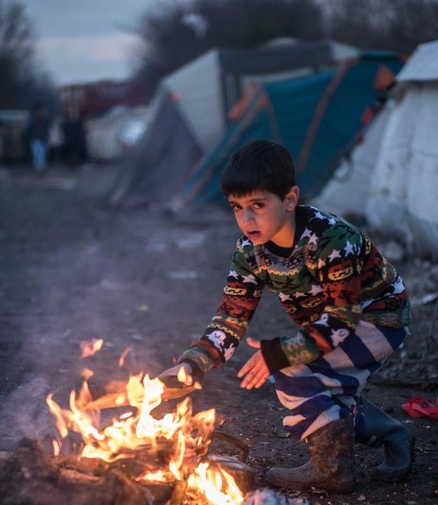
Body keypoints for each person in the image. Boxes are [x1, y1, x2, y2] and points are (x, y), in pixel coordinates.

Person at [159, 139, 414, 494]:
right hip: (330, 325)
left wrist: (280, 352)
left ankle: (333, 469)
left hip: (378, 318)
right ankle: (392, 434)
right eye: (236, 207)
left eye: (258, 206)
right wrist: (194, 363)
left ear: (290, 199)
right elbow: (232, 314)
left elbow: (342, 320)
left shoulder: (331, 239)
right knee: (328, 396)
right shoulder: (250, 251)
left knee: (294, 374)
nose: (246, 219)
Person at [24, 104, 51, 171]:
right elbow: (28, 130)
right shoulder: (33, 121)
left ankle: (42, 168)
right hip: (36, 140)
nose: (42, 113)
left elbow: (47, 130)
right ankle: (38, 168)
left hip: (43, 140)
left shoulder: (45, 121)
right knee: (37, 155)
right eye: (40, 112)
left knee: (43, 155)